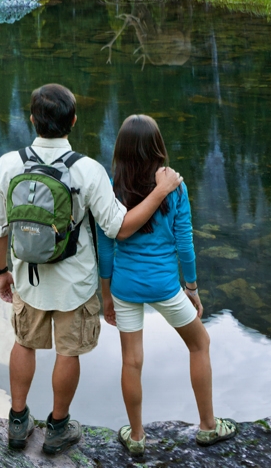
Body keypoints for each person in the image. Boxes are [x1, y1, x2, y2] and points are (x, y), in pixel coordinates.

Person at [0, 83, 182, 456]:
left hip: (28, 279)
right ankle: (58, 428)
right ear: (73, 121)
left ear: (32, 120)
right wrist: (159, 193)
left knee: (24, 342)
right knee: (68, 351)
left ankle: (17, 421)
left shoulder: (7, 165)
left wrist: (1, 272)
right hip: (74, 284)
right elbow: (120, 227)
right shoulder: (88, 170)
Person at [98, 113, 235, 455]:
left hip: (126, 287)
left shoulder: (111, 189)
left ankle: (138, 436)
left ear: (121, 150)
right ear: (158, 147)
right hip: (165, 286)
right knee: (199, 343)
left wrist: (107, 296)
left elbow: (105, 249)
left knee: (132, 361)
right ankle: (207, 426)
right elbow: (185, 243)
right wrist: (191, 288)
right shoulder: (175, 188)